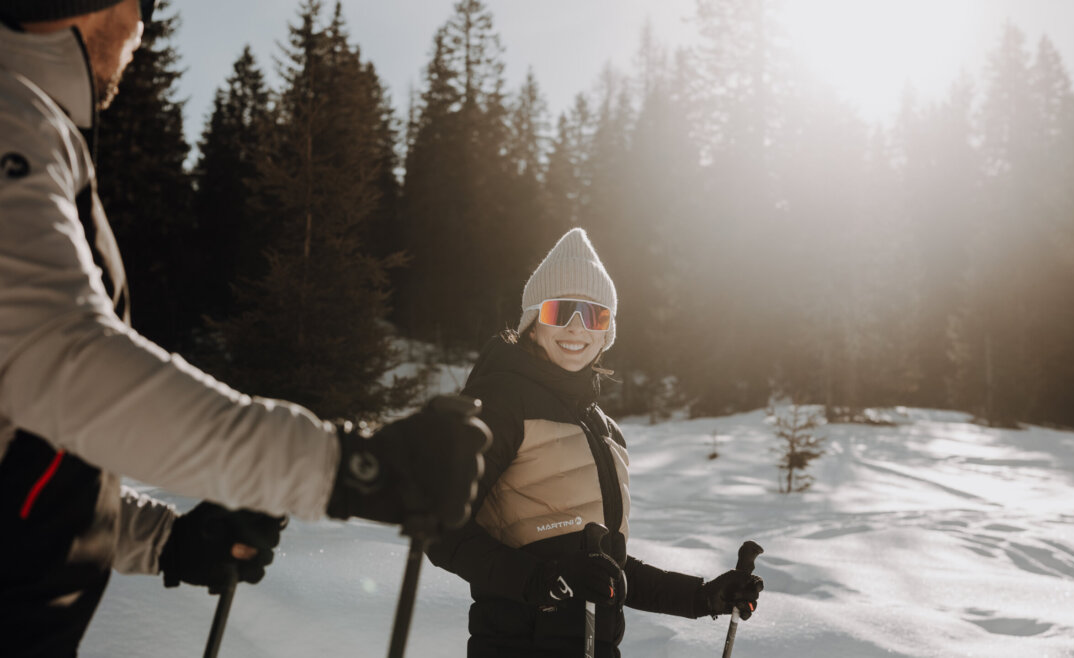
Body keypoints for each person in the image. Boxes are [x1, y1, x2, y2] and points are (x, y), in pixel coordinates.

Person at [0, 1, 489, 654]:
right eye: (142, 6)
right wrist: (349, 468)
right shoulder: (12, 118)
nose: (144, 29)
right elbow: (63, 365)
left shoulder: (33, 126)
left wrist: (167, 542)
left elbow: (30, 451)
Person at [427, 228, 765, 657]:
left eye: (595, 316)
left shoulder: (603, 429)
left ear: (607, 333)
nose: (576, 328)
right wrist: (544, 582)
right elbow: (439, 529)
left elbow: (608, 570)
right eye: (560, 311)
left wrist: (702, 597)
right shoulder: (499, 401)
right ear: (532, 324)